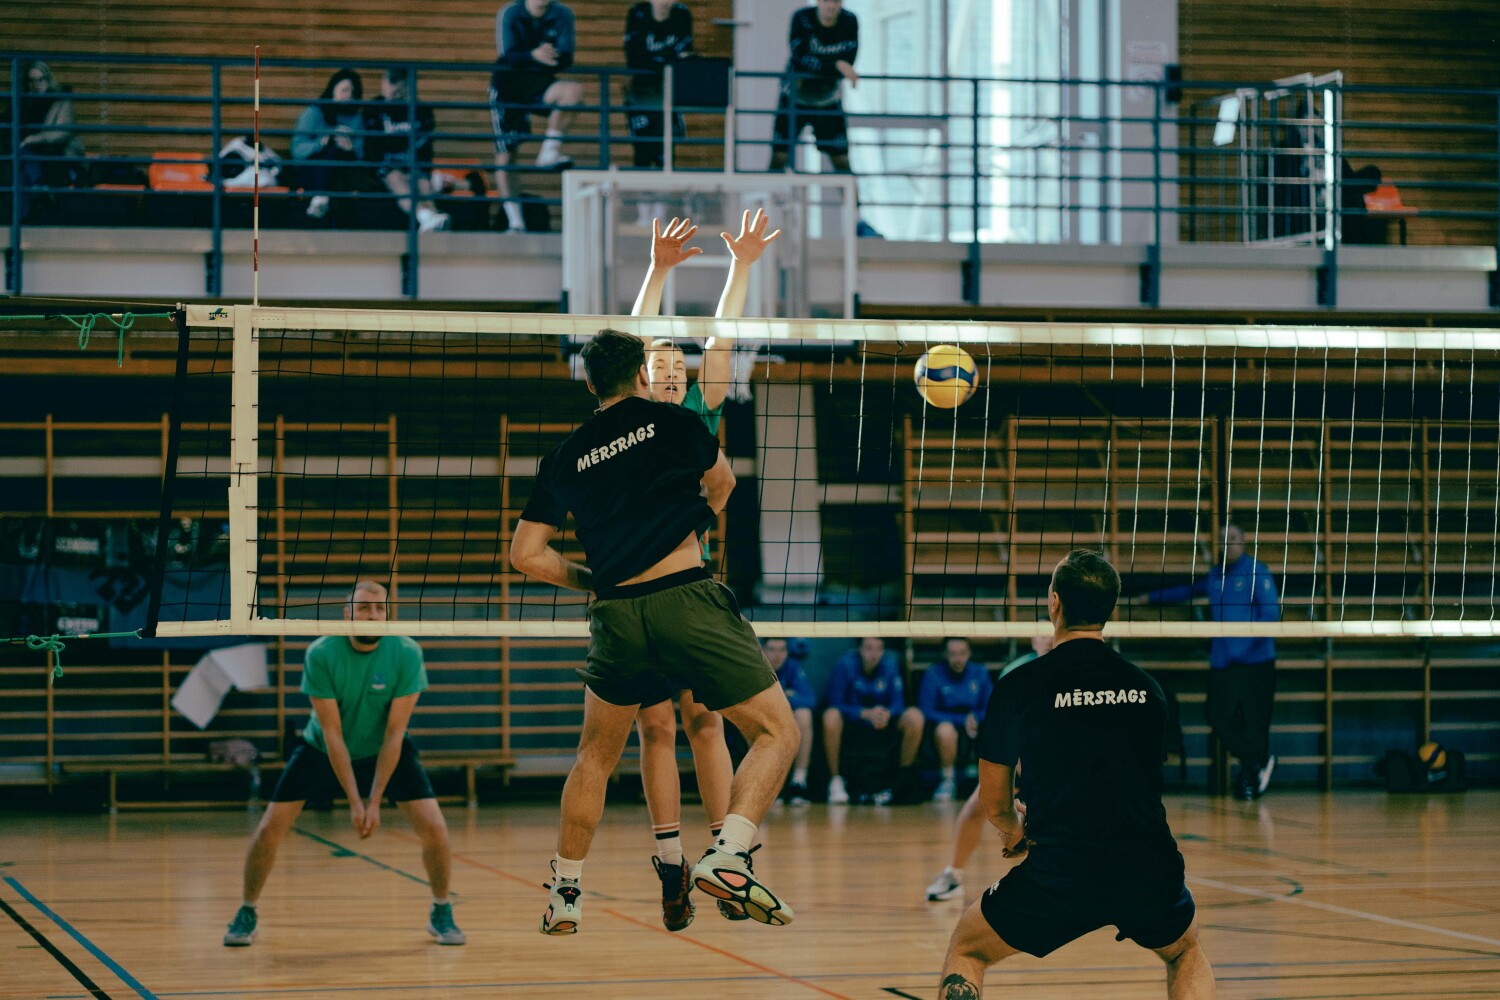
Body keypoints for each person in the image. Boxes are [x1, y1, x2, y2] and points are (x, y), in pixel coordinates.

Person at [510, 329, 799, 935]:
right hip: (685, 599)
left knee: (596, 756)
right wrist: (688, 525)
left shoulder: (565, 455)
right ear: (642, 374)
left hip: (615, 613)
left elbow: (526, 555)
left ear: (590, 385)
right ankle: (729, 853)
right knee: (776, 731)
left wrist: (594, 581)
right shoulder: (674, 422)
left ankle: (566, 891)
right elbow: (724, 484)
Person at [938, 550, 1214, 999]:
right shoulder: (1149, 690)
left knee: (968, 947)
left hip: (1061, 873)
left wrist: (1014, 831)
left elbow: (994, 801)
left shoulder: (1018, 687)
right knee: (1185, 951)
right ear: (1111, 609)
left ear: (1054, 602)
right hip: (1147, 867)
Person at [622, 207, 781, 930]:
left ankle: (726, 859)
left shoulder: (697, 415)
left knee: (704, 721)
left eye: (678, 369)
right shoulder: (625, 419)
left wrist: (740, 266)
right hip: (633, 588)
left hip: (691, 586)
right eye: (660, 368)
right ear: (639, 378)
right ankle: (669, 861)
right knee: (656, 727)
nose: (671, 373)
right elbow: (636, 335)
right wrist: (657, 271)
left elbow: (722, 338)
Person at [222, 581, 463, 948]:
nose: (372, 615)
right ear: (347, 613)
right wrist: (355, 801)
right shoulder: (322, 653)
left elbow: (395, 733)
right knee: (269, 829)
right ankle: (247, 910)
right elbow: (332, 733)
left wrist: (375, 799)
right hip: (322, 749)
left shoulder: (407, 652)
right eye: (364, 607)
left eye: (379, 608)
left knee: (435, 828)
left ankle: (441, 910)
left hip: (384, 748)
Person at [1139, 522, 1280, 800]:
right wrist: (1151, 598)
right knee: (1216, 714)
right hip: (1224, 664)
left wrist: (1246, 647)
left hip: (1256, 663)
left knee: (1254, 722)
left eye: (1233, 538)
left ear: (1243, 541)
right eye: (1223, 539)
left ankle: (1251, 775)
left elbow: (1271, 615)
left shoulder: (1257, 572)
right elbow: (1188, 591)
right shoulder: (1216, 576)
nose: (1228, 543)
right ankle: (1258, 760)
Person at [926, 635, 1051, 902]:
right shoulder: (1017, 672)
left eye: (1052, 633)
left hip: (1062, 761)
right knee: (977, 806)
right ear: (1033, 640)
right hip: (1024, 759)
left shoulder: (1075, 667)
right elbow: (1009, 726)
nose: (1049, 638)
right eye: (1043, 634)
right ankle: (953, 875)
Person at [767, 1, 880, 238]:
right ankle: (767, 217)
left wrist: (836, 66)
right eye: (827, 1)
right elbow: (801, 56)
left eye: (836, 1)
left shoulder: (849, 21)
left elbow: (849, 61)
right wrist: (836, 65)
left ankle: (857, 220)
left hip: (828, 100)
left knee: (842, 161)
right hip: (794, 98)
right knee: (779, 156)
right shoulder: (802, 18)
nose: (831, 7)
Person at [489, 0, 582, 232]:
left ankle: (549, 152)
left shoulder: (563, 14)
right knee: (506, 155)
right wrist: (533, 55)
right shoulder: (510, 13)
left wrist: (550, 56)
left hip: (540, 81)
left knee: (573, 92)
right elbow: (507, 54)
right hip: (509, 86)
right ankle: (516, 222)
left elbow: (567, 56)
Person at [821, 637, 923, 804]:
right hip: (852, 723)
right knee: (830, 716)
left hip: (883, 723)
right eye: (869, 648)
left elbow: (899, 703)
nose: (874, 654)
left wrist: (886, 714)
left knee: (914, 716)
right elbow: (834, 702)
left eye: (878, 649)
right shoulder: (845, 665)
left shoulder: (890, 664)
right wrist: (864, 713)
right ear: (860, 649)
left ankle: (901, 778)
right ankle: (836, 780)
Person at [290, 69, 380, 221]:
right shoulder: (314, 113)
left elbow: (362, 151)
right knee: (332, 151)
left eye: (352, 92)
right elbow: (297, 149)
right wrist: (322, 142)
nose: (348, 95)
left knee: (340, 157)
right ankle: (323, 198)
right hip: (313, 169)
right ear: (332, 90)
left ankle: (321, 199)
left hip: (344, 168)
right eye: (344, 90)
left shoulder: (356, 118)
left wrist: (350, 148)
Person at [368, 67, 450, 232]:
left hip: (413, 165)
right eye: (390, 88)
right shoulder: (374, 109)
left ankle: (434, 220)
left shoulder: (420, 111)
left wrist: (422, 170)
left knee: (423, 182)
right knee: (397, 177)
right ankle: (424, 216)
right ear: (383, 84)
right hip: (387, 167)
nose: (393, 93)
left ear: (407, 87)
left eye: (398, 90)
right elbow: (373, 147)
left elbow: (425, 148)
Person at [917, 637, 993, 803]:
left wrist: (975, 718)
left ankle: (993, 784)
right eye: (952, 654)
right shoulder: (933, 673)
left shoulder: (980, 672)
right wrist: (962, 720)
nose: (958, 659)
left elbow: (991, 706)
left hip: (975, 725)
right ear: (945, 654)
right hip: (944, 727)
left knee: (997, 726)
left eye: (962, 653)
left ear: (969, 653)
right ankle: (948, 781)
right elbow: (927, 710)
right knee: (945, 730)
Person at [623, 0, 693, 169]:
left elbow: (685, 56)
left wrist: (660, 63)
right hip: (641, 93)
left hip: (668, 93)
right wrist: (666, 62)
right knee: (642, 151)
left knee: (666, 152)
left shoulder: (681, 14)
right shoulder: (638, 13)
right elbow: (634, 59)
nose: (664, 3)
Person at [15, 61, 84, 221]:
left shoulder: (60, 101)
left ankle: (26, 214)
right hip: (31, 157)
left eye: (41, 79)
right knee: (21, 164)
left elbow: (62, 133)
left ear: (48, 79)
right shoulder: (23, 103)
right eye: (32, 80)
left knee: (24, 156)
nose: (36, 84)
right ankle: (38, 193)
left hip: (58, 156)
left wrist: (32, 139)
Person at [763, 637, 817, 804]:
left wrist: (783, 697)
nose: (777, 655)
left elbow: (810, 700)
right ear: (763, 650)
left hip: (785, 719)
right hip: (762, 717)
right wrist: (783, 695)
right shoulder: (756, 666)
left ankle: (798, 781)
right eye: (772, 649)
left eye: (782, 650)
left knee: (804, 714)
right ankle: (767, 782)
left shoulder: (792, 666)